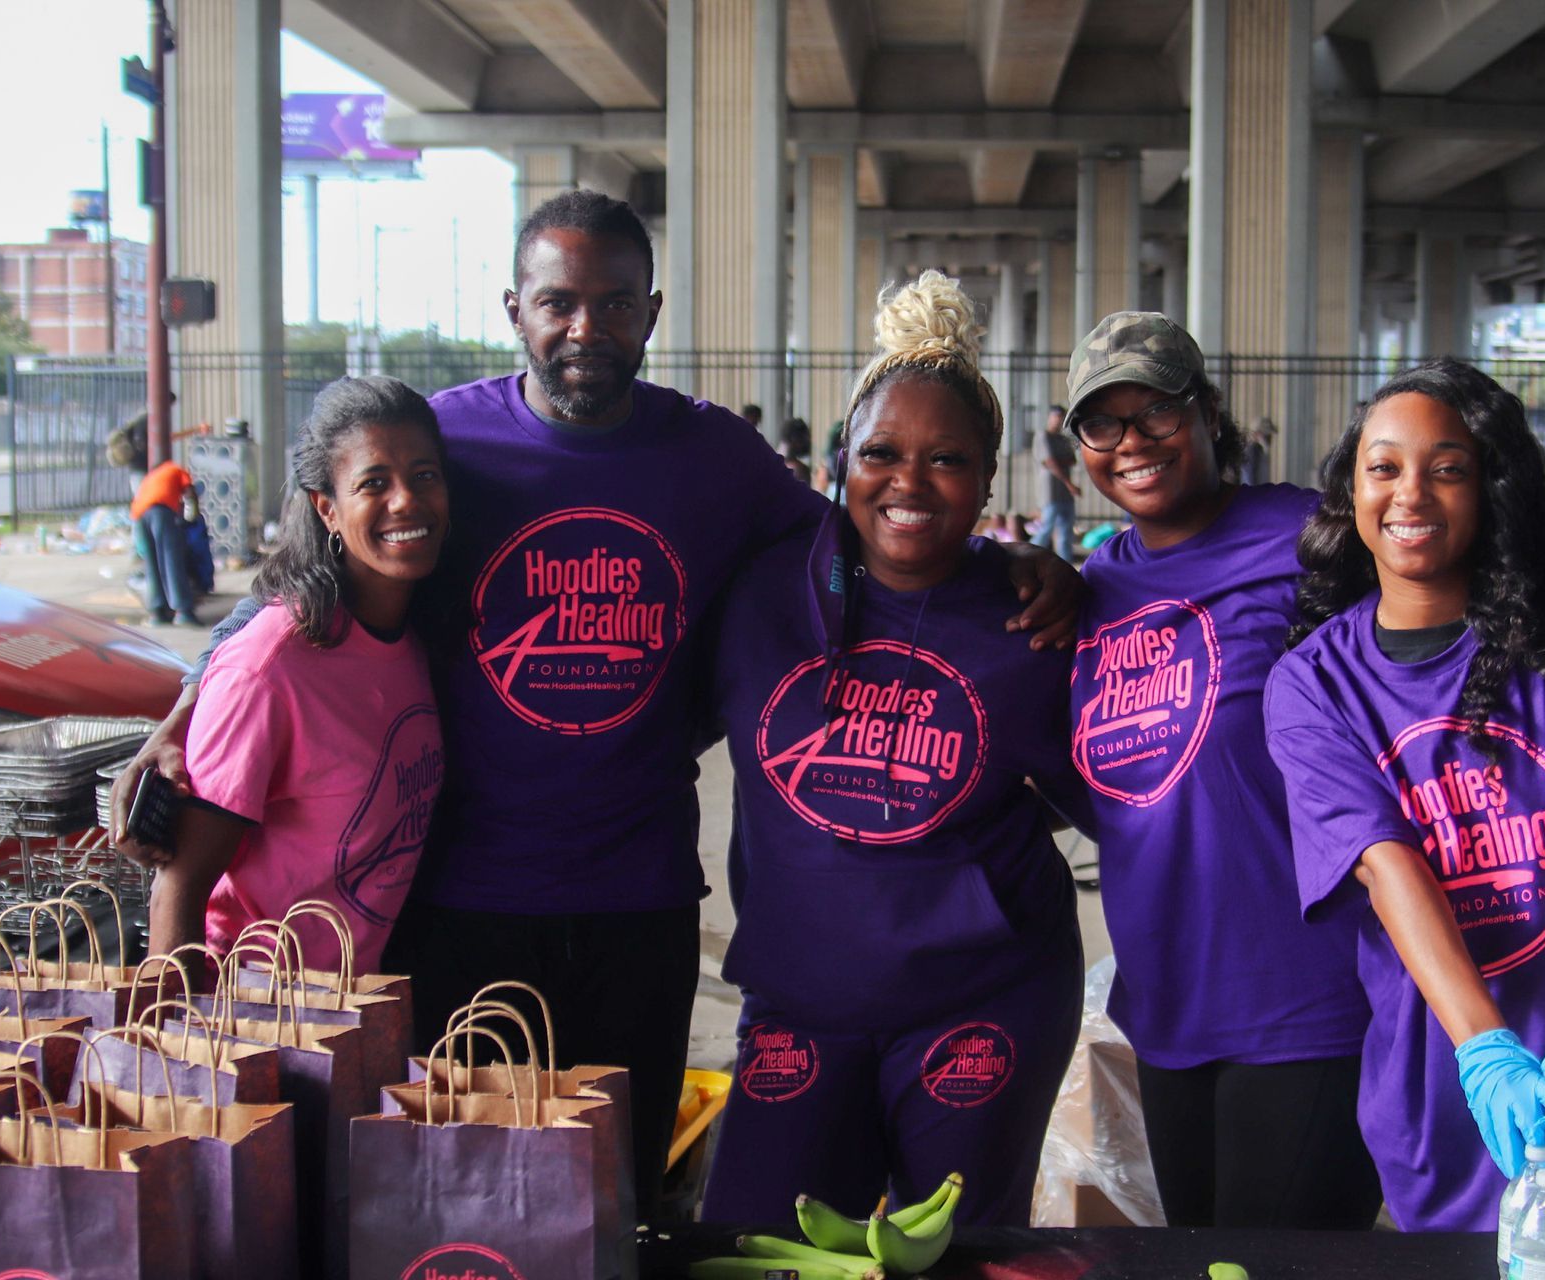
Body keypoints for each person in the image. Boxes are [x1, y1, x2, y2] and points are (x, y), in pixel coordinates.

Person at [111, 188, 1079, 1217]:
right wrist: (182, 717)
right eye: (559, 301)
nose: (587, 327)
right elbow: (301, 569)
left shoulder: (717, 459)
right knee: (463, 1199)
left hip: (641, 902)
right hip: (460, 904)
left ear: (651, 313)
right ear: (513, 307)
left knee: (622, 1208)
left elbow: (879, 527)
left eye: (615, 304)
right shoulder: (445, 448)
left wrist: (1011, 560)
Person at [1265, 358, 1545, 1232]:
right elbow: (1384, 862)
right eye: (1384, 467)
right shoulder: (1312, 683)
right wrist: (1487, 1053)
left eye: (1448, 468)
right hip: (1446, 1067)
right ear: (1352, 490)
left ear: (1492, 489)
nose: (1411, 494)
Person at [698, 272, 1085, 1227]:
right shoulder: (757, 592)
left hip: (983, 1006)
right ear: (840, 462)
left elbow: (1131, 798)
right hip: (802, 1003)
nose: (909, 482)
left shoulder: (1033, 620)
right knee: (752, 1246)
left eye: (946, 459)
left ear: (990, 478)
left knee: (954, 1256)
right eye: (882, 452)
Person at [1061, 311, 1379, 1230]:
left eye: (1156, 410)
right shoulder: (1092, 586)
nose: (1132, 442)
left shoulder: (1313, 541)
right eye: (1102, 422)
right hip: (1169, 1004)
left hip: (1309, 994)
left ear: (1206, 412)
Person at [146, 376, 449, 975]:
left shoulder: (414, 632)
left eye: (424, 476)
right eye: (373, 483)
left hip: (361, 1005)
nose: (405, 501)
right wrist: (177, 1040)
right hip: (263, 1011)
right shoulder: (270, 667)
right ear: (326, 508)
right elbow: (179, 887)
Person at [130, 455, 203, 628]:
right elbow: (190, 494)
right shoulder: (177, 470)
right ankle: (183, 611)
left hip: (139, 516)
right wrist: (193, 517)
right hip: (160, 512)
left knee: (152, 564)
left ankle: (157, 612)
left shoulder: (152, 475)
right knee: (172, 560)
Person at [1032, 403, 1080, 560]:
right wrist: (1068, 483)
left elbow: (1072, 460)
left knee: (1066, 531)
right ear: (1049, 417)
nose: (1057, 421)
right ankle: (1027, 558)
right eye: (1055, 417)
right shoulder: (1042, 436)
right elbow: (1050, 462)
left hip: (1065, 494)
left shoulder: (1062, 439)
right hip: (1050, 491)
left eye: (1061, 418)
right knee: (1046, 528)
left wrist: (1058, 461)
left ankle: (1066, 564)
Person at [1242, 416, 1276, 486]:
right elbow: (1249, 477)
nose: (1270, 439)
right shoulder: (1253, 450)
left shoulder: (1260, 450)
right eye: (1267, 436)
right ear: (1257, 434)